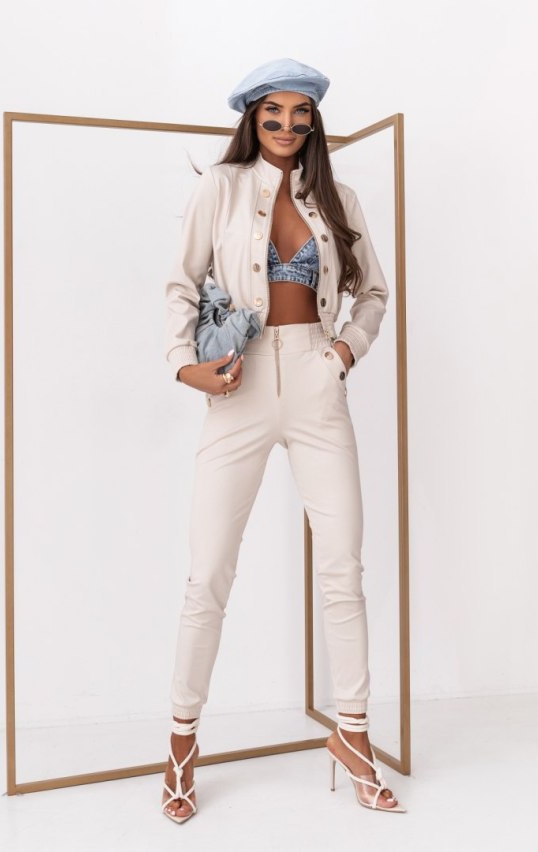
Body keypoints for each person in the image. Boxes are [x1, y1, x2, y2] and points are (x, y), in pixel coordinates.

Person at [161, 57, 406, 822]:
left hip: (315, 380)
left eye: (302, 115)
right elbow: (181, 283)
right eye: (274, 113)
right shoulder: (220, 188)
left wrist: (342, 355)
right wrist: (185, 366)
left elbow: (374, 293)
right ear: (253, 117)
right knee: (208, 573)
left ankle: (353, 734)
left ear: (314, 122)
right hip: (237, 384)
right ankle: (181, 743)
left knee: (343, 568)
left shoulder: (338, 198)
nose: (288, 126)